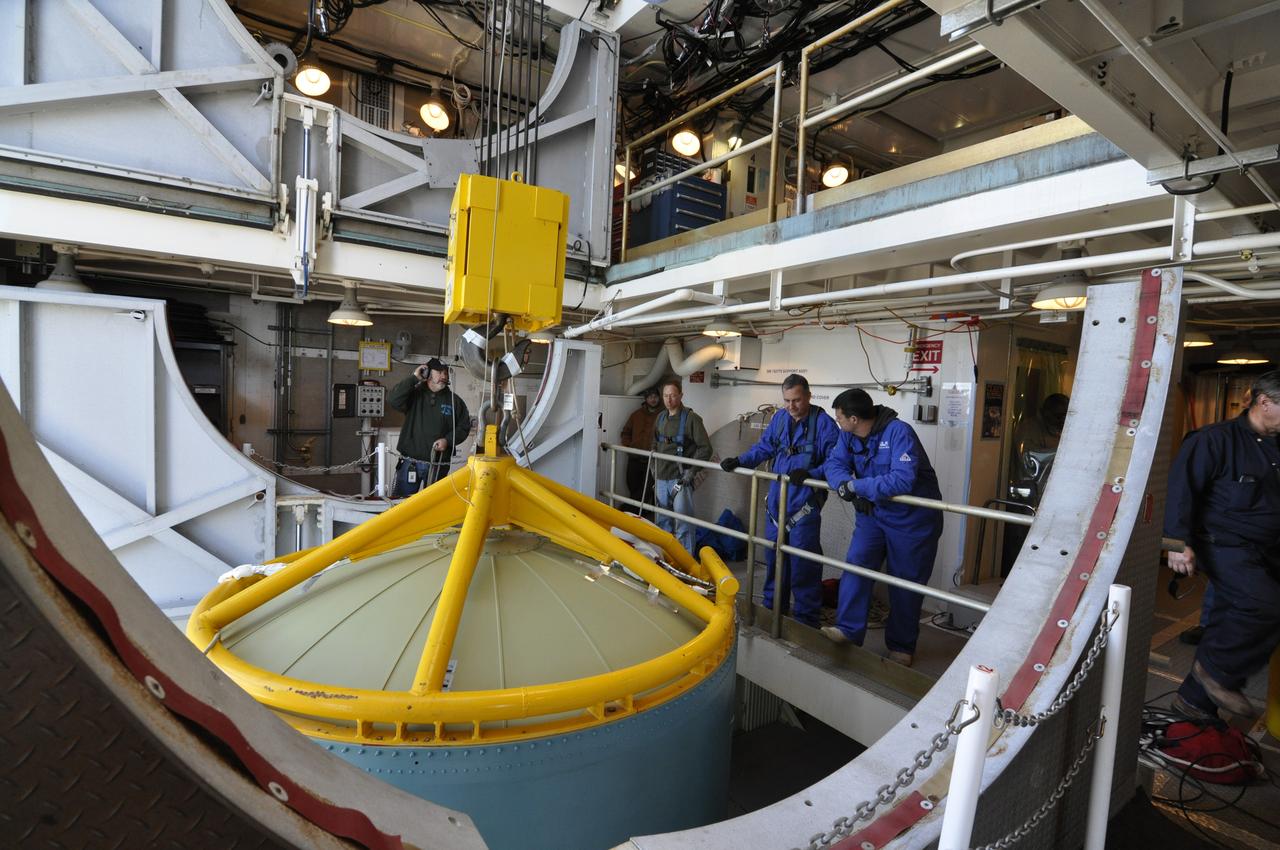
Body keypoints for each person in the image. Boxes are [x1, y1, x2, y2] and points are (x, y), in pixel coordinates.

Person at [1165, 370, 1280, 720]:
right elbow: (1182, 491)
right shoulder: (1214, 440)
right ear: (1264, 402)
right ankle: (1216, 672)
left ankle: (1194, 700)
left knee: (1240, 616)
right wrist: (1176, 544)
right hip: (1224, 545)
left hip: (1267, 547)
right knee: (1264, 606)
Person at [821, 388, 943, 666]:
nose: (837, 423)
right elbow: (835, 463)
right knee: (856, 563)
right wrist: (844, 485)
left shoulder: (899, 433)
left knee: (904, 581)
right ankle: (848, 630)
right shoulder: (847, 434)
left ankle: (901, 645)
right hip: (874, 513)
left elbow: (901, 481)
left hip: (912, 519)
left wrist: (858, 486)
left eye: (839, 418)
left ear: (853, 419)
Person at [720, 374, 839, 626]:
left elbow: (835, 463)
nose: (791, 406)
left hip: (804, 505)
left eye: (796, 400)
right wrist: (740, 460)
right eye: (786, 400)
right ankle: (773, 610)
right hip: (776, 502)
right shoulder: (781, 420)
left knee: (803, 564)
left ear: (808, 395)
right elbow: (765, 448)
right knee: (774, 559)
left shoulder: (825, 425)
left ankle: (806, 621)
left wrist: (811, 474)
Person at [387, 357, 471, 497]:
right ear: (427, 373)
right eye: (439, 372)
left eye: (446, 372)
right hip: (410, 463)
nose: (444, 376)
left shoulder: (455, 401)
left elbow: (464, 427)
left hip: (438, 464)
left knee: (433, 507)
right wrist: (414, 378)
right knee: (402, 505)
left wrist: (448, 441)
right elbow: (393, 400)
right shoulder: (414, 394)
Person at [651, 378, 712, 555]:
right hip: (661, 477)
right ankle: (665, 559)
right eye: (666, 396)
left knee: (683, 523)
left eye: (673, 396)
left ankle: (686, 563)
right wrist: (654, 465)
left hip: (680, 479)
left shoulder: (691, 419)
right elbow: (654, 442)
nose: (669, 400)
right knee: (663, 521)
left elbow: (705, 448)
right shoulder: (661, 418)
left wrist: (691, 472)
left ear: (681, 396)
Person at [620, 387, 662, 516]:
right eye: (650, 397)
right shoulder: (636, 415)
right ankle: (636, 515)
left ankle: (626, 512)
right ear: (645, 399)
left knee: (647, 490)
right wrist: (629, 446)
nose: (653, 399)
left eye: (655, 396)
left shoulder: (663, 415)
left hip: (652, 460)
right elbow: (625, 432)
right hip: (634, 459)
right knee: (632, 487)